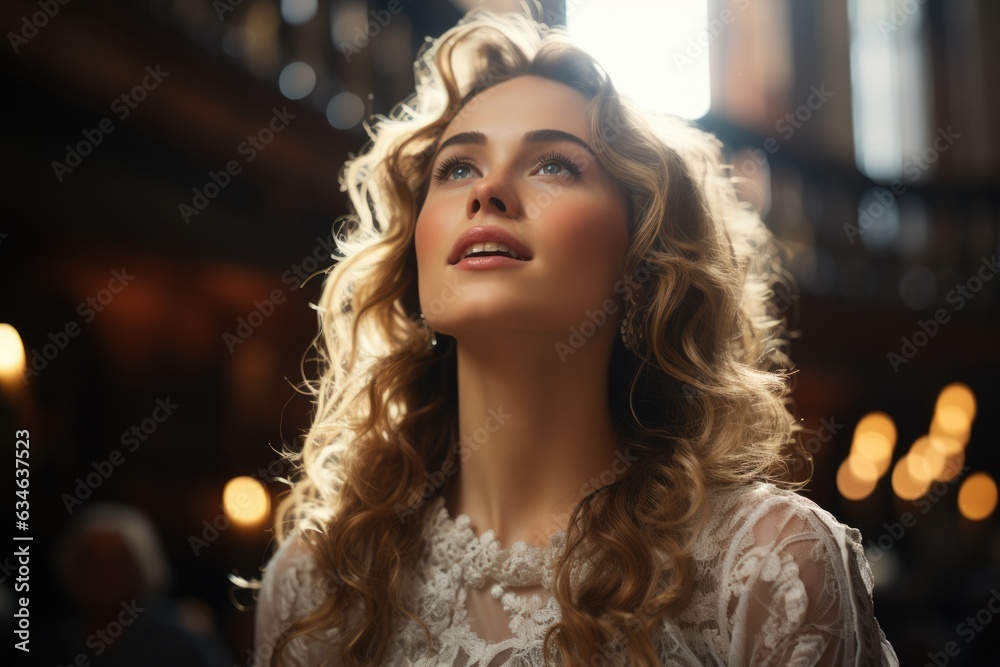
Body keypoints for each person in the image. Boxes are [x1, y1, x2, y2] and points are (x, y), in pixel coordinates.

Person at [253, 9, 899, 666]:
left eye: (554, 165)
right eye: (457, 168)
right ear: (413, 262)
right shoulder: (316, 584)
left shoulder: (768, 567)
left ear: (644, 269)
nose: (489, 191)